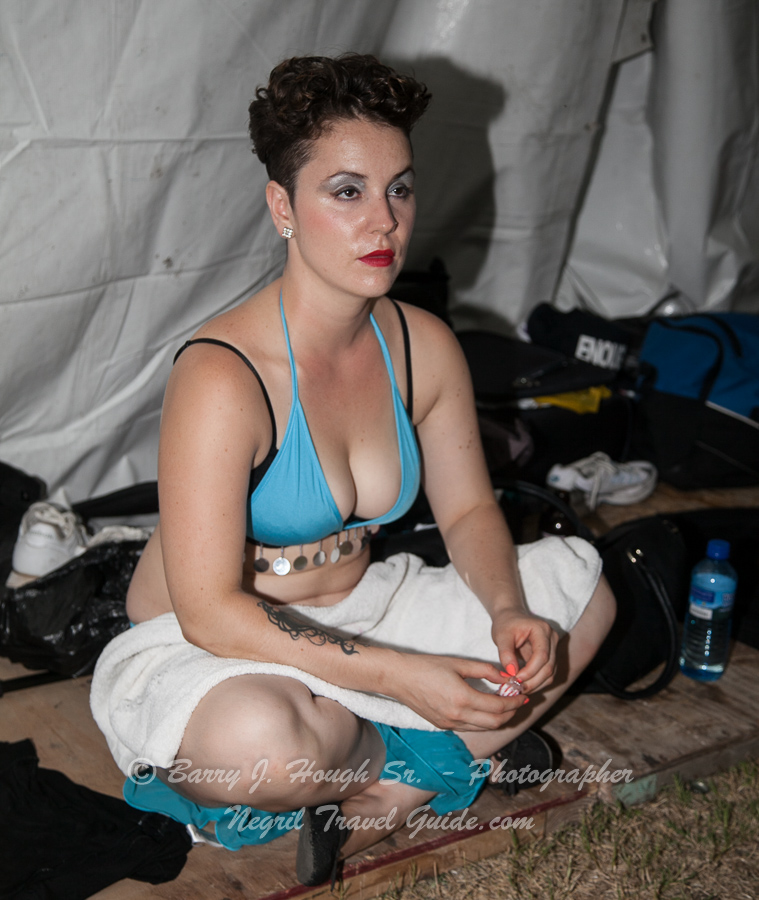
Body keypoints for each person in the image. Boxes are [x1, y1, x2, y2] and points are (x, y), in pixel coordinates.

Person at [90, 53, 616, 886]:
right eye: (346, 191)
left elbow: (468, 514)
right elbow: (211, 612)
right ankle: (433, 754)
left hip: (366, 605)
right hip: (216, 644)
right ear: (282, 207)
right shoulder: (223, 374)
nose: (383, 222)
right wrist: (401, 676)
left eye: (398, 190)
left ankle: (386, 793)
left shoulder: (422, 344)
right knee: (259, 745)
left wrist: (506, 608)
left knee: (583, 594)